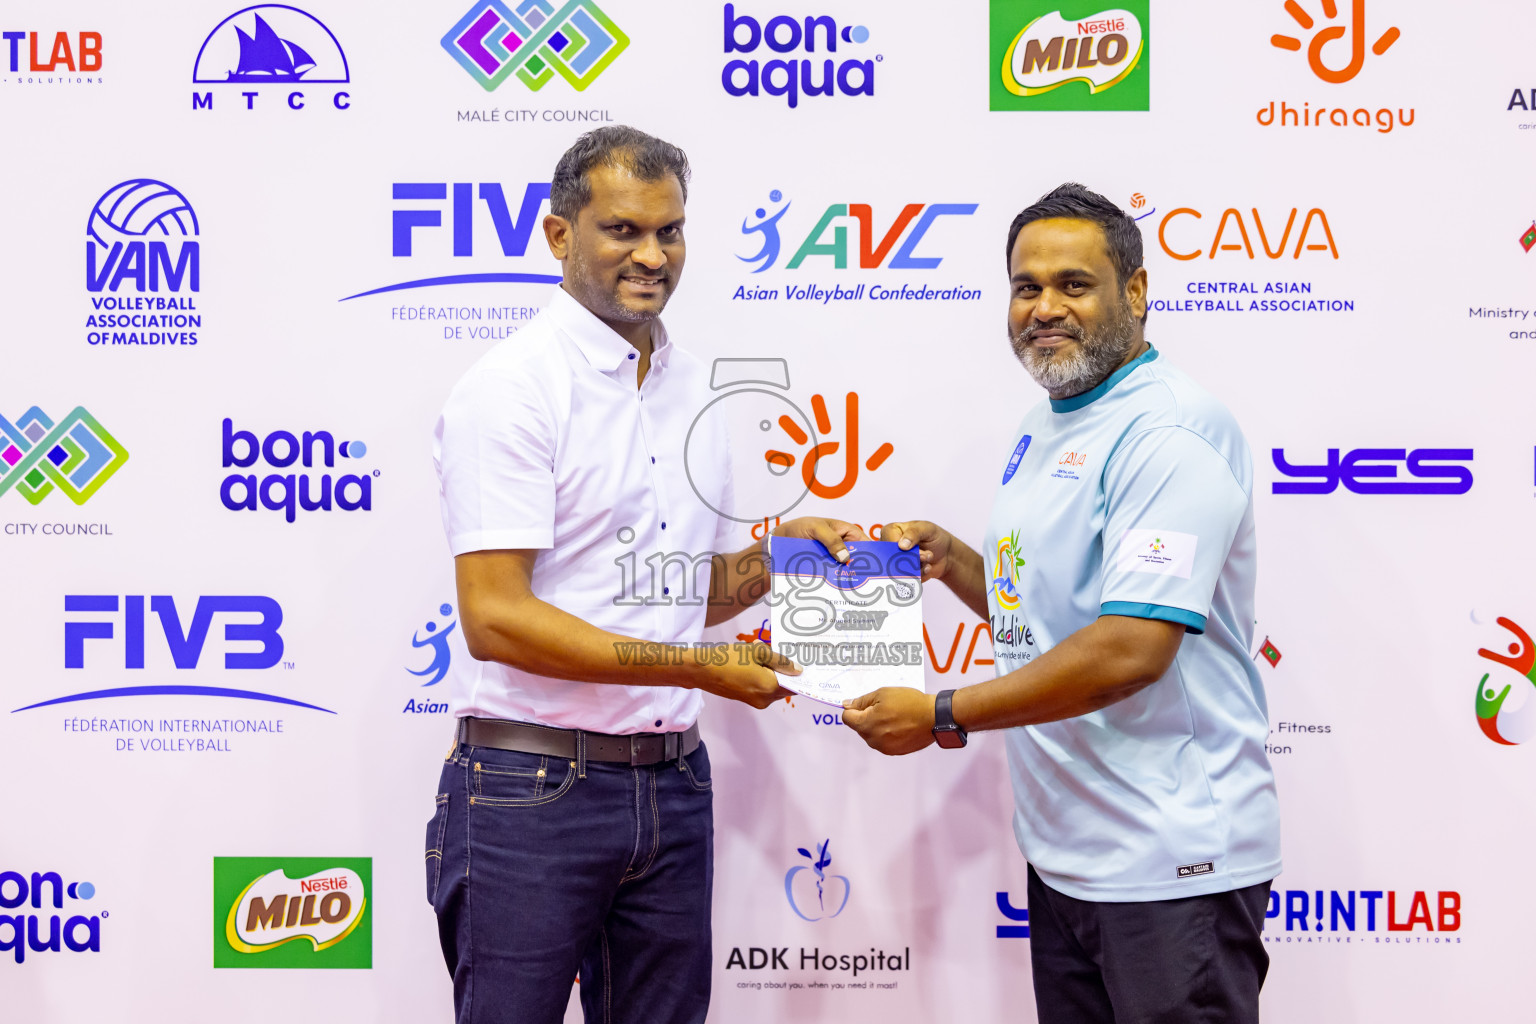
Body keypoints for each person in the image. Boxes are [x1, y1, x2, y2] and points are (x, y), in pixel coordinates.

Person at [428, 125, 859, 1024]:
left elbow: (672, 591)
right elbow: (497, 619)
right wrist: (699, 668)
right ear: (558, 235)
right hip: (528, 795)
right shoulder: (511, 388)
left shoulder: (693, 384)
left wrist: (780, 561)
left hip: (673, 786)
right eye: (623, 230)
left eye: (670, 231)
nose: (652, 255)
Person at [842, 183, 1281, 1024]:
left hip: (1169, 865)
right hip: (1069, 858)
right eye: (1026, 287)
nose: (1045, 307)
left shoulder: (1170, 432)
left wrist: (942, 712)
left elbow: (1128, 650)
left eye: (1073, 285)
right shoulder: (1051, 421)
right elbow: (1042, 610)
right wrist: (950, 560)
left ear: (1137, 293)